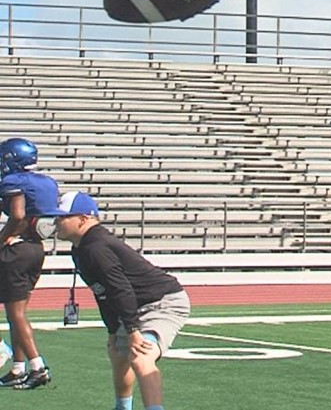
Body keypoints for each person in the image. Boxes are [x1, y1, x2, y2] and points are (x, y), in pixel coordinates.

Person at [48, 190, 190, 410]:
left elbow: (120, 289)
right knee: (118, 357)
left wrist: (132, 330)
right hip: (135, 304)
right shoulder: (81, 249)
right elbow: (103, 293)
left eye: (63, 216)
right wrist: (113, 330)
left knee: (141, 357)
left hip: (161, 302)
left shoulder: (96, 247)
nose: (56, 221)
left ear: (83, 219)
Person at [0, 137, 58, 390]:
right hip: (36, 248)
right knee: (17, 314)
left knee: (16, 314)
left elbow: (19, 214)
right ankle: (18, 368)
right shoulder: (47, 182)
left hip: (17, 250)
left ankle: (38, 367)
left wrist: (3, 239)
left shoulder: (13, 181)